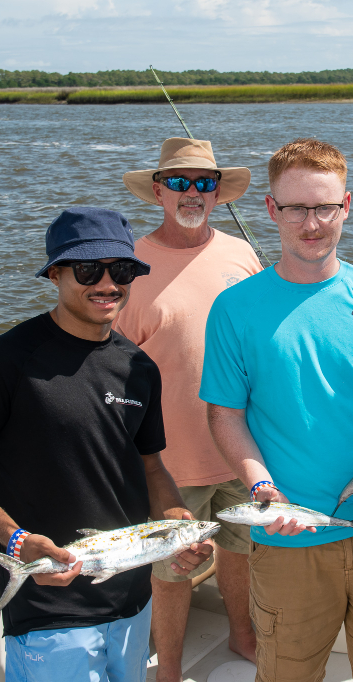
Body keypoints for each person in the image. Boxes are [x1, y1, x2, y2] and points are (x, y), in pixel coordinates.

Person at [0, 207, 214, 682]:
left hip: (132, 598)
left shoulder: (138, 366)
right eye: (87, 270)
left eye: (120, 270)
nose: (107, 284)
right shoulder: (4, 361)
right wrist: (18, 542)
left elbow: (151, 465)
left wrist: (175, 519)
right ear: (55, 273)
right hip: (49, 610)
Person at [201, 138, 353, 682]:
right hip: (288, 537)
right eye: (296, 208)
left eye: (325, 206)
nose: (312, 223)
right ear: (270, 209)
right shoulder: (235, 307)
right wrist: (260, 487)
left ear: (347, 205)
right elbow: (225, 416)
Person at [116, 138, 262, 675]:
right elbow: (110, 371)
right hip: (169, 462)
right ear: (158, 191)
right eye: (179, 182)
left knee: (242, 549)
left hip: (241, 446)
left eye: (204, 182)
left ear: (218, 193)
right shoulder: (128, 265)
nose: (192, 193)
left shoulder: (241, 253)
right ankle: (170, 666)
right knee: (170, 571)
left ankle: (241, 635)